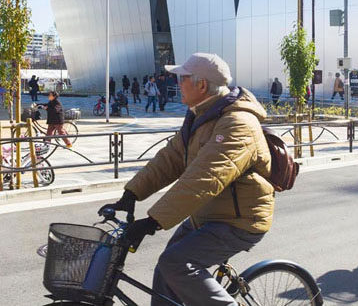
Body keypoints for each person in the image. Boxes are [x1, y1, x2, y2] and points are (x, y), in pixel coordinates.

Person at [106, 52, 274, 306]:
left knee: (176, 264)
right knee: (166, 270)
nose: (177, 84)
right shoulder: (202, 115)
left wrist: (152, 221)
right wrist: (131, 194)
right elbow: (171, 157)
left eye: (182, 78)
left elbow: (205, 177)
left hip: (240, 220)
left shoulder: (238, 123)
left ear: (202, 84)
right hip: (208, 214)